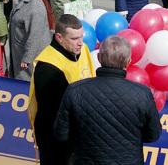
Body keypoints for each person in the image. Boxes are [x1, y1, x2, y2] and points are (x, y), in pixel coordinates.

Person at [54, 36, 161, 164]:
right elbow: (153, 135)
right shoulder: (142, 93)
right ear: (128, 62)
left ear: (99, 58)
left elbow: (61, 134)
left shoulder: (75, 90)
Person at [28, 15, 94, 165]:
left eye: (81, 37)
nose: (80, 43)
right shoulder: (47, 67)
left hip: (79, 132)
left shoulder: (82, 50)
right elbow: (52, 114)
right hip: (58, 139)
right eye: (74, 38)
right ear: (59, 37)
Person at [9, 0, 52, 81]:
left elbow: (35, 35)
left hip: (28, 57)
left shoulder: (35, 7)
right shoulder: (24, 0)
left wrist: (27, 58)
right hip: (20, 52)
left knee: (26, 83)